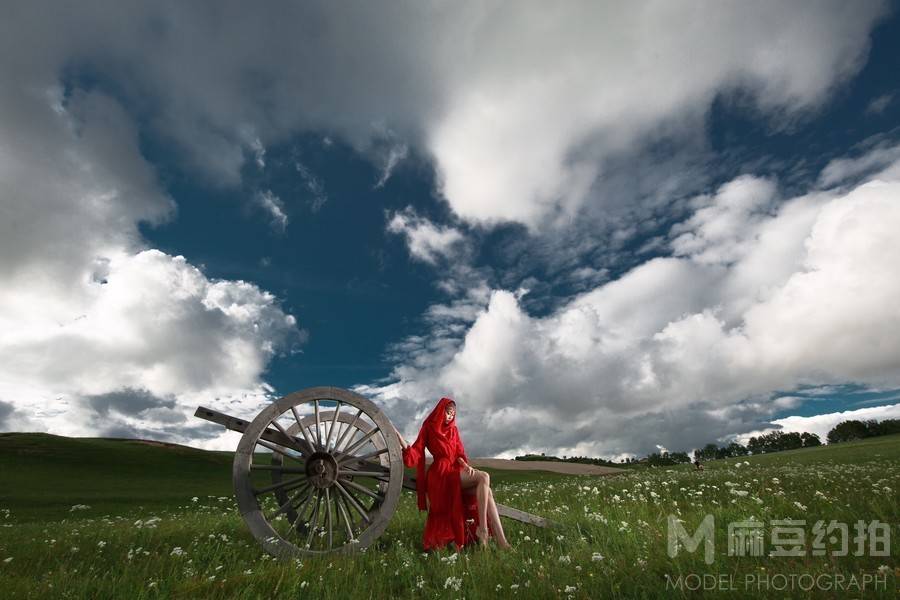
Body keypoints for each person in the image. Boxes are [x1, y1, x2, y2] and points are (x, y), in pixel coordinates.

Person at [396, 397, 511, 551]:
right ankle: (483, 530)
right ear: (440, 411)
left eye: (452, 414)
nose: (450, 416)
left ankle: (502, 541)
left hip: (455, 470)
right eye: (448, 412)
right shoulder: (429, 427)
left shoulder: (453, 430)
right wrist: (403, 443)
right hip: (440, 474)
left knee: (487, 491)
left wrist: (465, 465)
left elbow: (459, 453)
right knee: (484, 476)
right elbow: (416, 452)